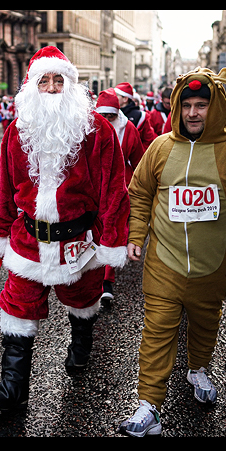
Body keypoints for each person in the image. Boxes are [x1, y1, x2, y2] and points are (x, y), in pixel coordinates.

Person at [118, 67, 226, 437]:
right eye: (186, 105)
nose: (192, 113)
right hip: (163, 264)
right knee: (157, 331)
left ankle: (198, 369)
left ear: (215, 106)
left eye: (201, 105)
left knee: (206, 325)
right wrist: (136, 234)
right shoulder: (160, 147)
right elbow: (139, 193)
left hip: (212, 268)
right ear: (177, 108)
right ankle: (148, 406)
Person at [0, 46, 130, 412]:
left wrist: (112, 242)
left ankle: (81, 343)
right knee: (17, 306)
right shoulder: (17, 131)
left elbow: (114, 191)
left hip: (78, 241)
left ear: (70, 85)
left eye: (58, 80)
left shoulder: (98, 130)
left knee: (82, 302)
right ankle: (13, 387)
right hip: (28, 238)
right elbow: (2, 189)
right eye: (43, 80)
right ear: (31, 86)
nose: (50, 88)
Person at [95, 87, 144, 305]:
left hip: (120, 187)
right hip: (94, 187)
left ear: (118, 113)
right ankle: (90, 277)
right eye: (102, 116)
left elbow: (139, 160)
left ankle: (107, 281)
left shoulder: (129, 129)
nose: (106, 120)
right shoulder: (85, 127)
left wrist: (138, 186)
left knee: (112, 230)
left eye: (111, 116)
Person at [115, 82, 157, 151]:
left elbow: (148, 140)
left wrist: (139, 155)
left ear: (125, 99)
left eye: (116, 95)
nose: (113, 97)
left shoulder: (141, 117)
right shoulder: (112, 114)